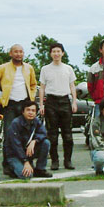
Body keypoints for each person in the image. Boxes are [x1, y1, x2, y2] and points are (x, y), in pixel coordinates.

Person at [0, 44, 37, 175]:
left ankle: (26, 163)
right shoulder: (2, 68)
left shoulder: (29, 68)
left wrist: (31, 98)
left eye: (21, 52)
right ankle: (7, 165)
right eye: (16, 52)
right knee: (9, 135)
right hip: (10, 105)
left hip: (24, 105)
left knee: (26, 135)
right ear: (10, 53)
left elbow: (33, 84)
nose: (18, 54)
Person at [39, 42, 77, 171]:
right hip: (51, 102)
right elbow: (42, 88)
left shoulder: (68, 68)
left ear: (62, 53)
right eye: (54, 51)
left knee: (68, 135)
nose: (56, 54)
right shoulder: (45, 69)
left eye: (58, 51)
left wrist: (74, 102)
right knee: (52, 135)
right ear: (50, 54)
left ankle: (68, 161)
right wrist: (41, 105)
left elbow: (72, 86)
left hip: (65, 101)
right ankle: (54, 161)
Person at [5, 100, 52, 179]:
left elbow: (43, 133)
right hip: (15, 155)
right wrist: (25, 161)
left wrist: (34, 141)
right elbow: (16, 146)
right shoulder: (15, 123)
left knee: (46, 143)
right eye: (28, 110)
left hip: (27, 152)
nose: (30, 113)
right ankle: (12, 168)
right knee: (27, 176)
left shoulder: (36, 121)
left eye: (33, 111)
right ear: (23, 112)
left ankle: (40, 169)